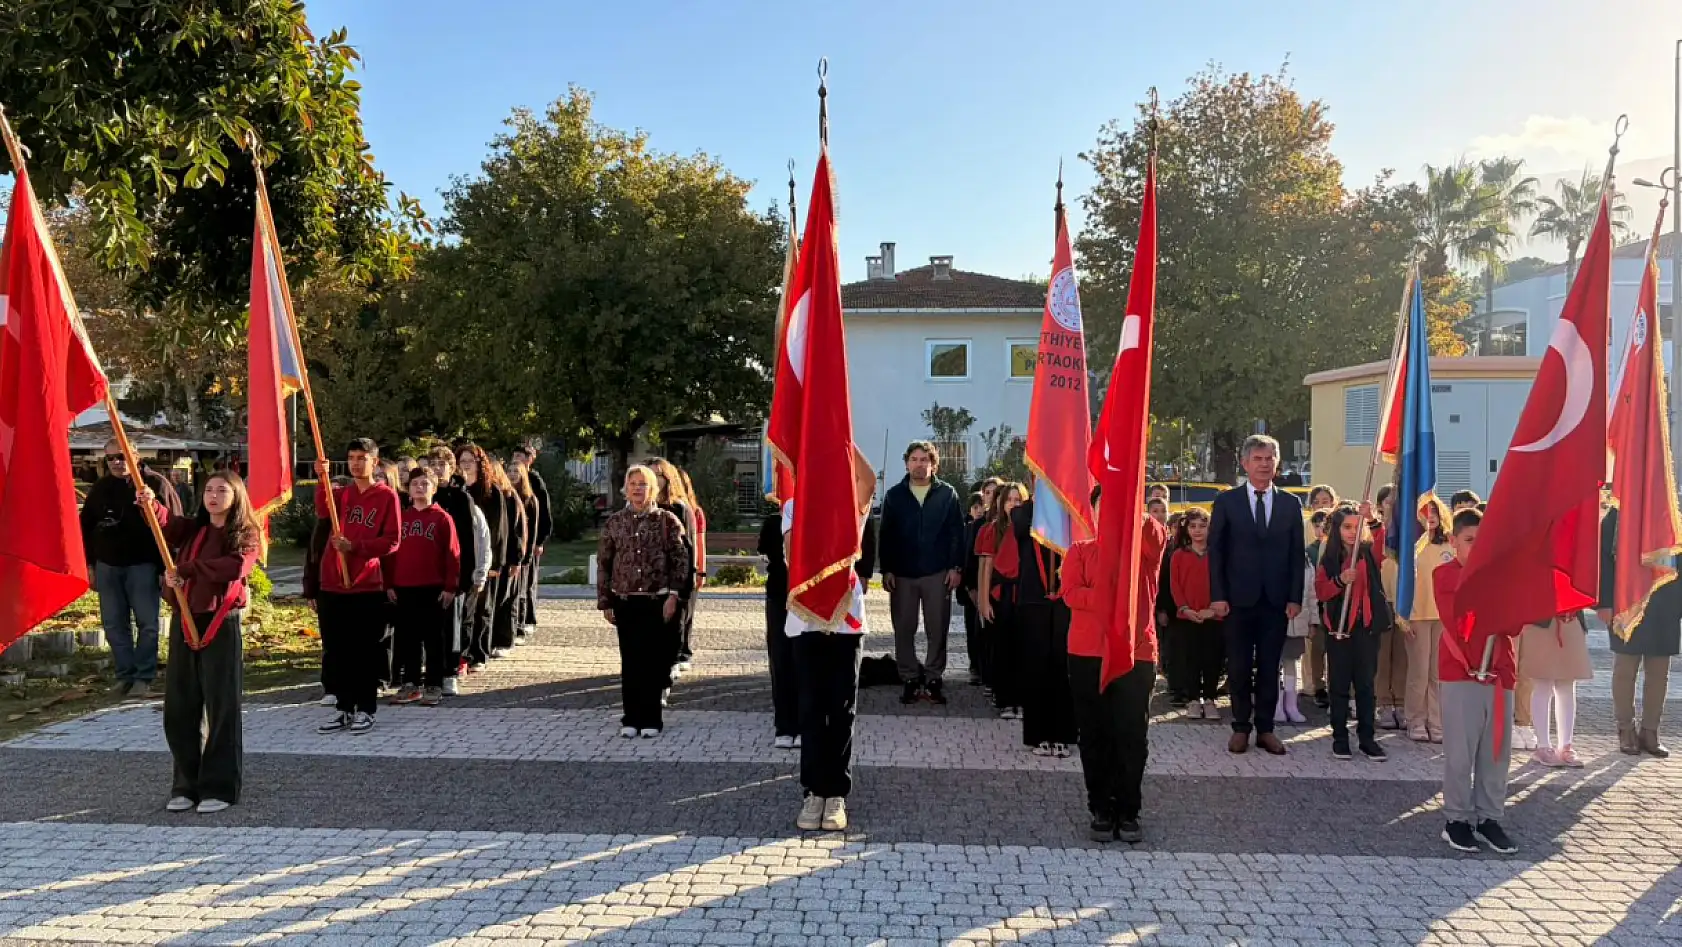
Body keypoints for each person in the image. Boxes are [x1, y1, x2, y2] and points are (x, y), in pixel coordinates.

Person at [140, 472, 258, 814]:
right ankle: (185, 785)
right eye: (209, 490)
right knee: (180, 706)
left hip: (220, 623)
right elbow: (168, 524)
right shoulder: (195, 529)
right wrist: (151, 503)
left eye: (222, 490)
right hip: (185, 622)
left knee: (222, 707)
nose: (214, 496)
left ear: (236, 496)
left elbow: (236, 566)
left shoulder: (245, 533)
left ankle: (219, 787)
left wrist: (189, 569)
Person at [1062, 485, 1166, 843]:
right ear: (1092, 512)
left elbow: (1154, 533)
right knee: (1094, 734)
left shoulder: (1146, 547)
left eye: (1119, 506)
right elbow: (1071, 594)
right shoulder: (1079, 552)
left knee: (1131, 734)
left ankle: (1129, 809)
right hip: (1088, 653)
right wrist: (1108, 596)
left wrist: (1132, 507)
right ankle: (1101, 809)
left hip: (1135, 654)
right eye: (1104, 507)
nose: (1111, 513)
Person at [1208, 434, 1305, 755]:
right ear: (1245, 463)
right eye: (1258, 459)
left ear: (1277, 464)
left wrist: (1295, 598)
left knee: (1269, 667)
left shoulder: (1291, 504)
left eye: (1269, 459)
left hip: (1276, 602)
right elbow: (1216, 552)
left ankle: (1265, 728)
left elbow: (1295, 555)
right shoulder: (1227, 502)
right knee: (1237, 666)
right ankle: (1239, 726)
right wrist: (1218, 596)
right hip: (1236, 600)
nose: (1264, 465)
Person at [784, 496, 875, 833]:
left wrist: (844, 445)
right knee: (809, 707)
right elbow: (791, 551)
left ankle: (836, 792)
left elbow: (866, 481)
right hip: (806, 619)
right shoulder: (795, 505)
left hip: (846, 620)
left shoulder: (850, 502)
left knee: (841, 707)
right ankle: (813, 791)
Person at [1433, 508, 1520, 855]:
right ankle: (1456, 819)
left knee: (1496, 751)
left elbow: (1513, 626)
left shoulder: (1503, 578)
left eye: (1483, 542)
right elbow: (1460, 617)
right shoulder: (1445, 574)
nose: (1477, 547)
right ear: (1454, 542)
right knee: (1460, 752)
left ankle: (1489, 818)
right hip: (1461, 672)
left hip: (1499, 674)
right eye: (1470, 541)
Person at [79, 440, 184, 699]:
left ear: (135, 455)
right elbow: (85, 529)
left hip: (143, 566)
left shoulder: (155, 484)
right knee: (114, 624)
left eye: (122, 456)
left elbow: (174, 526)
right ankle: (125, 675)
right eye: (111, 458)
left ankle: (144, 677)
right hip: (108, 566)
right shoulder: (100, 488)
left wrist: (167, 567)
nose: (116, 462)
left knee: (148, 623)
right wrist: (89, 565)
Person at [312, 439, 402, 736]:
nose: (355, 463)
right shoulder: (343, 494)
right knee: (337, 649)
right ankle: (343, 706)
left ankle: (366, 708)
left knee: (364, 649)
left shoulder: (386, 497)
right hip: (333, 582)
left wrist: (357, 547)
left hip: (364, 583)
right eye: (351, 458)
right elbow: (323, 510)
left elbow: (392, 540)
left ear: (375, 462)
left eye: (362, 458)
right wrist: (321, 477)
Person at [597, 465, 691, 738]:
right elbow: (604, 562)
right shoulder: (615, 522)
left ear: (653, 489)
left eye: (643, 483)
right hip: (625, 601)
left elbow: (680, 561)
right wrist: (606, 601)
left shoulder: (667, 521)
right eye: (633, 483)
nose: (638, 488)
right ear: (626, 488)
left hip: (656, 600)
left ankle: (651, 718)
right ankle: (631, 717)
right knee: (631, 661)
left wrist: (674, 595)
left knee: (653, 661)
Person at [878, 441, 966, 704]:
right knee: (903, 627)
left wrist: (955, 567)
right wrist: (887, 569)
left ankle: (933, 677)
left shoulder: (947, 494)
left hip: (937, 573)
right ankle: (909, 678)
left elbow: (956, 534)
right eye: (914, 459)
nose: (919, 464)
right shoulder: (894, 495)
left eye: (924, 459)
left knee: (936, 628)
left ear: (933, 463)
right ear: (906, 463)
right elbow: (887, 535)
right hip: (903, 574)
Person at [1315, 504, 1392, 761]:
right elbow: (1321, 591)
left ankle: (1367, 738)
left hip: (1366, 630)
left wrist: (1372, 519)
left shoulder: (1369, 553)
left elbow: (1383, 540)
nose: (1352, 532)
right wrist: (1339, 581)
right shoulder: (1329, 558)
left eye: (1356, 526)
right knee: (1338, 686)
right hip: (1338, 631)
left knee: (1366, 686)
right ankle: (1339, 738)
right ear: (1337, 529)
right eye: (1347, 527)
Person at [1599, 507, 1677, 757]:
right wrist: (1604, 603)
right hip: (1626, 601)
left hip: (1664, 599)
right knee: (1625, 669)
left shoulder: (1670, 509)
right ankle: (1625, 730)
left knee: (1659, 673)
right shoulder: (1618, 512)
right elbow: (1602, 559)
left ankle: (1650, 731)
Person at [386, 467, 461, 707]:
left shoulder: (442, 518)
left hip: (433, 588)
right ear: (408, 489)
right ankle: (410, 684)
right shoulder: (401, 518)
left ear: (434, 488)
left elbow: (453, 555)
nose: (419, 487)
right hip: (404, 587)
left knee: (433, 639)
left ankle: (434, 684)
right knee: (408, 639)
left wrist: (450, 587)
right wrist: (389, 583)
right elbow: (390, 554)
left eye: (425, 483)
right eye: (415, 483)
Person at [1013, 482, 1077, 757]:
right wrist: (1043, 504)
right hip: (1034, 599)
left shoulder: (1072, 514)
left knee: (1063, 667)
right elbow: (1022, 530)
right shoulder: (1024, 513)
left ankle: (1064, 733)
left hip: (1067, 599)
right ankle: (1037, 734)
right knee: (1036, 667)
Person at [426, 447, 488, 697]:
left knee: (452, 626)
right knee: (430, 627)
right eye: (434, 464)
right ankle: (430, 673)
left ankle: (450, 671)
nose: (439, 469)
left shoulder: (461, 498)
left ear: (452, 469)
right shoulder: (424, 495)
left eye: (444, 465)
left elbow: (470, 540)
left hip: (454, 573)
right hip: (426, 574)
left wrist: (470, 575)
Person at [1405, 497, 1454, 743]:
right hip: (1417, 616)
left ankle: (1436, 722)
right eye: (1424, 512)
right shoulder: (1411, 545)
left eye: (1434, 511)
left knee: (1438, 672)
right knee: (1419, 672)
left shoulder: (1448, 544)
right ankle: (1415, 720)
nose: (1430, 516)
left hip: (1442, 617)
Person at [646, 457, 701, 676]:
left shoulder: (680, 508)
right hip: (648, 579)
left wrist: (692, 574)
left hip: (674, 576)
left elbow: (690, 545)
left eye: (658, 475)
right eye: (649, 475)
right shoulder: (640, 507)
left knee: (675, 621)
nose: (654, 480)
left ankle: (674, 659)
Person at [1520, 607, 1593, 768]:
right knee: (1542, 683)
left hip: (1571, 619)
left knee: (1567, 684)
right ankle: (1543, 746)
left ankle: (1566, 745)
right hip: (1540, 620)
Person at [977, 483, 1025, 722]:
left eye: (1018, 500)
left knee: (1023, 650)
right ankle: (1005, 699)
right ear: (1001, 503)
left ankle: (1022, 699)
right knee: (1003, 648)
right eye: (1010, 500)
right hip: (1000, 595)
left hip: (1024, 595)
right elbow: (985, 567)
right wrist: (984, 601)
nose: (1014, 504)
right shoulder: (992, 530)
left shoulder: (1032, 529)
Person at [1169, 509, 1223, 720]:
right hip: (1187, 617)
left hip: (1214, 616)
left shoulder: (1218, 555)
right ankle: (1193, 699)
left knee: (1212, 659)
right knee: (1190, 659)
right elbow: (1175, 585)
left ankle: (1209, 699)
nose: (1198, 531)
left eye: (1202, 526)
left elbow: (1224, 583)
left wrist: (1212, 610)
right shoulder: (1179, 555)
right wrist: (1184, 608)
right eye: (1193, 526)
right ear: (1186, 529)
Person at [457, 444, 507, 670]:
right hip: (462, 555)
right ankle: (463, 654)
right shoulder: (456, 489)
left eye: (470, 460)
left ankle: (479, 652)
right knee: (465, 611)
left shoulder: (490, 491)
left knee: (482, 608)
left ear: (479, 463)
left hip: (484, 555)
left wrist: (495, 563)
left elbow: (498, 530)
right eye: (462, 460)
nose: (466, 464)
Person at [1372, 485, 1409, 731]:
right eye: (1387, 502)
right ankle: (1383, 704)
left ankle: (1402, 703)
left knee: (1403, 657)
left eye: (1396, 502)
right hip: (1382, 601)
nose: (1392, 506)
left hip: (1405, 602)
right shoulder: (1376, 533)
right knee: (1382, 656)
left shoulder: (1410, 534)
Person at [511, 442, 552, 641]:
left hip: (532, 539)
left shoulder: (535, 481)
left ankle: (529, 619)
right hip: (518, 540)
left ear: (530, 459)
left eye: (521, 456)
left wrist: (540, 540)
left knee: (528, 582)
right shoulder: (510, 481)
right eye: (515, 456)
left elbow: (543, 513)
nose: (517, 460)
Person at [488, 458, 529, 658]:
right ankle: (492, 639)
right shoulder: (492, 497)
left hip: (508, 557)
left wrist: (517, 559)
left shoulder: (510, 498)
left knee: (506, 599)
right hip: (495, 557)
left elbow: (517, 532)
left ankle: (505, 639)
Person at [505, 459, 541, 648]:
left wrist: (527, 556)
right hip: (509, 552)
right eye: (509, 471)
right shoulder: (506, 496)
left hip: (524, 552)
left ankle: (519, 626)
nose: (512, 475)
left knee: (521, 591)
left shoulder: (530, 499)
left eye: (516, 472)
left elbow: (532, 530)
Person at [676, 467, 707, 671]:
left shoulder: (694, 511)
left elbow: (700, 543)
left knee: (688, 612)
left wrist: (700, 571)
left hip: (691, 568)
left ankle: (684, 652)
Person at [959, 491, 988, 687]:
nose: (978, 511)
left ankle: (984, 666)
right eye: (974, 507)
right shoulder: (967, 529)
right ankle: (974, 666)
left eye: (981, 507)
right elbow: (964, 558)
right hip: (970, 586)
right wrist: (969, 586)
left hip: (986, 585)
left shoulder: (987, 527)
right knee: (971, 627)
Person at [1304, 509, 1332, 709]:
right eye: (1317, 524)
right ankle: (1318, 686)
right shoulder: (1310, 551)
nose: (1321, 528)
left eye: (1324, 524)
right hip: (1319, 606)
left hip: (1336, 606)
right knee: (1317, 649)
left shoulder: (1336, 547)